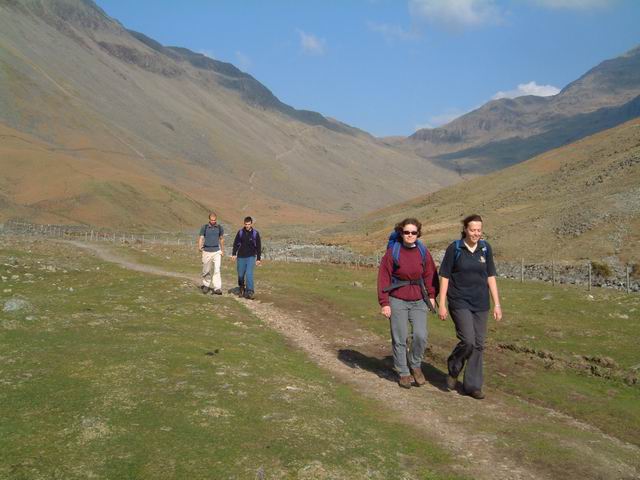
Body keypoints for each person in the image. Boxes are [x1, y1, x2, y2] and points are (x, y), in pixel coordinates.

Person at [438, 214, 502, 400]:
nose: (476, 233)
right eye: (472, 230)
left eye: (479, 230)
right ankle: (454, 367)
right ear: (465, 229)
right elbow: (445, 277)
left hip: (481, 303)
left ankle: (472, 386)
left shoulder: (485, 248)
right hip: (459, 301)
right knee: (468, 340)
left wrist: (497, 304)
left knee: (479, 344)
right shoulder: (455, 248)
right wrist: (442, 303)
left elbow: (491, 276)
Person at [377, 218, 438, 389]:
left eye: (413, 232)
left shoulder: (423, 251)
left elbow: (430, 274)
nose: (410, 235)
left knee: (421, 335)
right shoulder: (392, 253)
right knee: (400, 337)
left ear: (418, 233)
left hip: (419, 299)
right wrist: (384, 302)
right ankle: (403, 372)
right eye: (406, 232)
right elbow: (383, 277)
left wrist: (432, 295)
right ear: (401, 233)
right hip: (397, 299)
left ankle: (415, 364)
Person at [231, 216, 262, 299]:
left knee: (249, 273)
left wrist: (258, 259)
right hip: (241, 256)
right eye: (246, 224)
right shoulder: (240, 232)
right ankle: (241, 287)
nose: (247, 226)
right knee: (240, 275)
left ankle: (250, 291)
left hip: (251, 257)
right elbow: (235, 244)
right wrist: (234, 254)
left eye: (249, 224)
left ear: (251, 224)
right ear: (244, 224)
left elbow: (258, 247)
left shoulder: (255, 233)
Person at [198, 212, 224, 295]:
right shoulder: (204, 227)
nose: (213, 221)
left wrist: (222, 250)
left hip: (216, 251)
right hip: (206, 251)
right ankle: (206, 285)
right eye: (212, 220)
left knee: (217, 269)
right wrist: (199, 246)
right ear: (209, 219)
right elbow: (201, 237)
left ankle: (217, 288)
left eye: (214, 220)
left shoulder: (219, 228)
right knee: (206, 270)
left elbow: (221, 239)